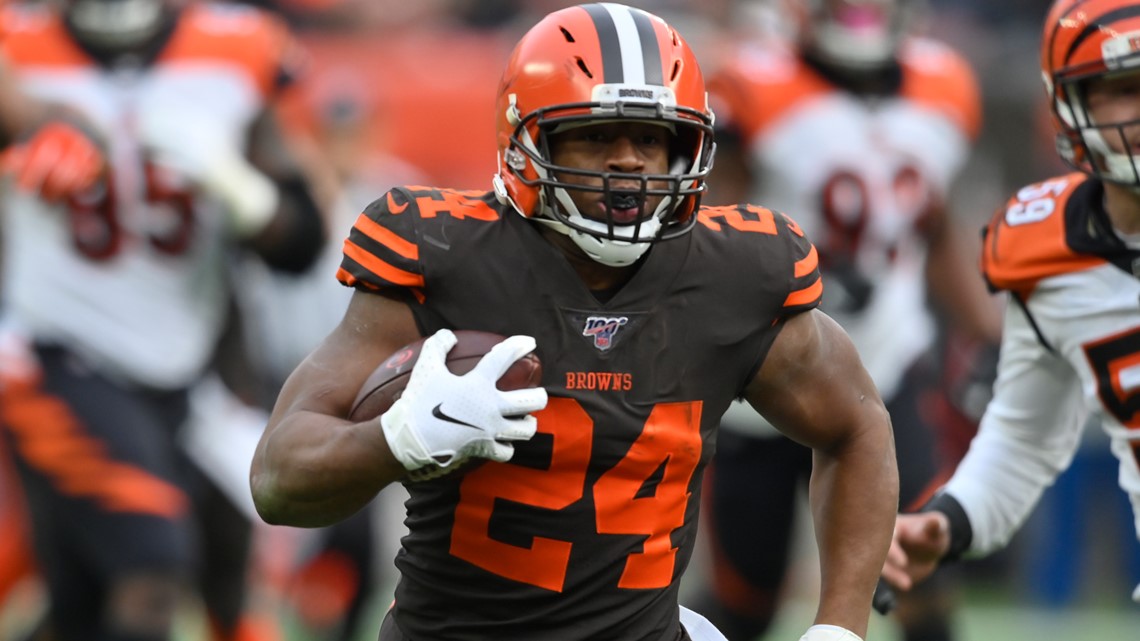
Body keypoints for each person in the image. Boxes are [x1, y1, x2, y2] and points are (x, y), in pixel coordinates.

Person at [250, 3, 898, 641]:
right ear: (526, 138)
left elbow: (857, 424)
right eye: (595, 134)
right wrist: (398, 438)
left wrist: (839, 626)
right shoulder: (448, 258)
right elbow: (278, 477)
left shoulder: (733, 273)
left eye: (650, 137)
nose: (629, 161)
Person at [0, 1, 326, 640]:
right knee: (152, 569)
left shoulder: (239, 50)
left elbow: (303, 242)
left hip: (189, 367)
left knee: (89, 604)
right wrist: (39, 125)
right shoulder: (15, 46)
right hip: (52, 356)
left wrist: (240, 191)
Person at [686, 1, 1001, 639]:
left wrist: (991, 336)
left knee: (923, 581)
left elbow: (932, 226)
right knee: (747, 599)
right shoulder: (751, 84)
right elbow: (705, 230)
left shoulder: (943, 86)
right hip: (765, 380)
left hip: (885, 368)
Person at [881, 0, 1140, 607]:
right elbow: (1025, 438)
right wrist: (949, 521)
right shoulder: (1049, 255)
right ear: (1071, 106)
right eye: (1124, 88)